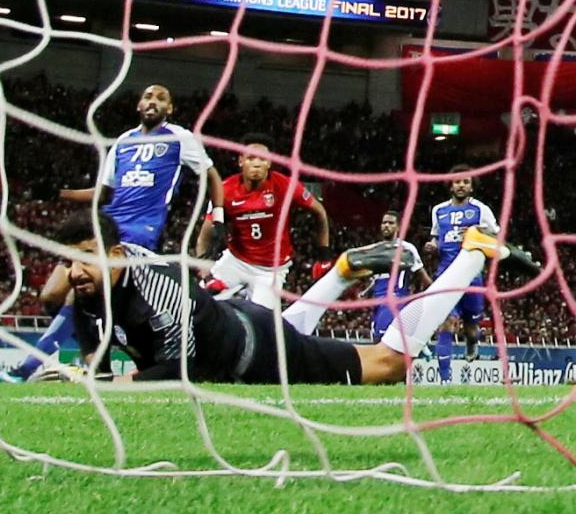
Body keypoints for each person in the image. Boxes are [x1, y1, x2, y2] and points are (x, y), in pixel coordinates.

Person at [55, 210, 537, 385]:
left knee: (390, 364)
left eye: (84, 258)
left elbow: (184, 370)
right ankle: (343, 271)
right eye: (68, 260)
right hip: (242, 322)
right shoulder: (98, 278)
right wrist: (85, 376)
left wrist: (115, 385)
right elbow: (92, 351)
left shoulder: (156, 291)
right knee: (288, 333)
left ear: (116, 253)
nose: (74, 271)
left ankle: (472, 254)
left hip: (260, 352)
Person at [0, 84, 225, 383]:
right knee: (51, 295)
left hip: (140, 232)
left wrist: (217, 216)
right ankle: (95, 356)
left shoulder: (180, 138)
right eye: (147, 96)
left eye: (161, 98)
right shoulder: (123, 142)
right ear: (138, 105)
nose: (152, 101)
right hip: (104, 226)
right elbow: (103, 194)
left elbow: (211, 175)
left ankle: (24, 370)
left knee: (75, 298)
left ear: (170, 109)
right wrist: (61, 193)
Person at [194, 133, 331, 311]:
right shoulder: (224, 190)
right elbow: (204, 237)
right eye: (251, 158)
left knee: (260, 319)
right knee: (200, 302)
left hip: (271, 270)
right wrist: (206, 276)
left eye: (263, 159)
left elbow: (319, 211)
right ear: (241, 161)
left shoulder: (285, 186)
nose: (257, 163)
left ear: (270, 163)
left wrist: (324, 255)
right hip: (236, 261)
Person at [423, 164, 498, 380]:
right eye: (457, 181)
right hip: (446, 274)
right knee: (446, 323)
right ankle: (444, 381)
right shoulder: (438, 210)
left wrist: (478, 232)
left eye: (465, 182)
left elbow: (496, 239)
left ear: (472, 187)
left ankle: (472, 341)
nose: (461, 185)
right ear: (451, 185)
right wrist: (432, 246)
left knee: (471, 328)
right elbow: (436, 239)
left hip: (472, 276)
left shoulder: (481, 210)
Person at [364, 210, 432, 342]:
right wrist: (365, 292)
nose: (386, 226)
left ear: (398, 227)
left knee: (384, 344)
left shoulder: (406, 249)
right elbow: (377, 278)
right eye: (384, 223)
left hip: (394, 300)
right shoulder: (375, 250)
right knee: (378, 342)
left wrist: (439, 293)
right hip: (378, 302)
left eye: (390, 223)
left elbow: (422, 275)